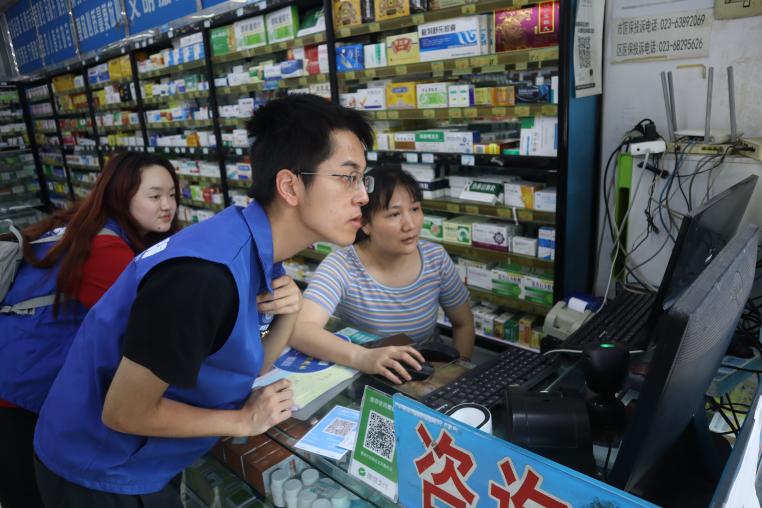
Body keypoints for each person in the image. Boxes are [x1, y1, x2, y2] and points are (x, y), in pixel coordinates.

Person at [32, 94, 423, 507]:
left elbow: (248, 366)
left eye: (363, 180)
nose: (363, 196)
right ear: (290, 186)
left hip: (145, 462)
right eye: (348, 177)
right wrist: (242, 420)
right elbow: (123, 411)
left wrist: (288, 313)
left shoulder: (252, 245)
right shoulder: (203, 278)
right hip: (97, 473)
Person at [0, 152, 180, 508]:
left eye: (172, 194)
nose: (168, 206)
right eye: (154, 195)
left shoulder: (86, 226)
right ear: (121, 195)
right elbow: (158, 331)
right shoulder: (106, 250)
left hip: (19, 380)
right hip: (18, 400)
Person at [291, 166, 475, 384]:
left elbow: (463, 324)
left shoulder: (435, 258)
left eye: (415, 209)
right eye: (395, 214)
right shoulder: (342, 266)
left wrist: (455, 376)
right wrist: (363, 357)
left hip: (427, 373)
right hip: (369, 376)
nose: (410, 224)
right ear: (365, 223)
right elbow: (300, 329)